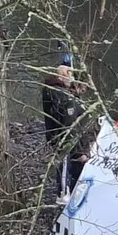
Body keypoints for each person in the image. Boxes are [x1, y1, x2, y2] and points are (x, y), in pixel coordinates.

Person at [41, 63, 84, 202]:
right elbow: (66, 117)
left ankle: (70, 191)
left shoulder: (65, 93)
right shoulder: (56, 92)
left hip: (71, 134)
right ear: (60, 75)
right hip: (62, 135)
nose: (70, 77)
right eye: (68, 74)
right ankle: (62, 193)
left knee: (72, 164)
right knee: (64, 164)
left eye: (71, 74)